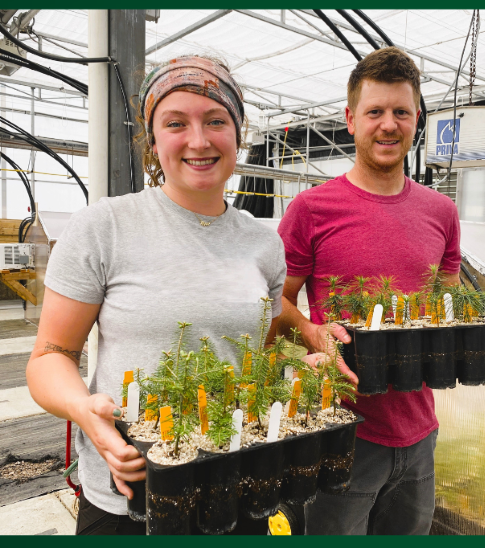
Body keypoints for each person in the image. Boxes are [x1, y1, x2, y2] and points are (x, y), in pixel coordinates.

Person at [25, 56, 286, 535]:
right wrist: (84, 409)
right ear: (153, 140)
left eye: (215, 121)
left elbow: (254, 357)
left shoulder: (264, 243)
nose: (199, 140)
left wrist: (294, 369)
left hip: (236, 483)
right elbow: (50, 355)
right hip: (132, 493)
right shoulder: (104, 227)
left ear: (238, 132)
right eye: (175, 123)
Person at [275, 47, 461, 535]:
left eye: (401, 112)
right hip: (341, 431)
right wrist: (314, 337)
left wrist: (467, 352)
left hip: (421, 432)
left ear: (417, 119)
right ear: (351, 119)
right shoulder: (312, 210)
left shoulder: (441, 212)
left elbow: (449, 309)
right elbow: (274, 303)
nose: (388, 124)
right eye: (375, 111)